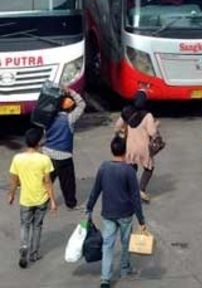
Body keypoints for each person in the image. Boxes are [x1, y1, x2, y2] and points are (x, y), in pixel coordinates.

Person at [86, 135, 146, 288]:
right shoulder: (129, 170)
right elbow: (135, 197)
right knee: (126, 243)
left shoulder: (104, 167)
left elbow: (96, 190)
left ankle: (105, 278)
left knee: (107, 245)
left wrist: (89, 208)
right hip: (125, 214)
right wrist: (141, 220)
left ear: (111, 150)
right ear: (125, 151)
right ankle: (125, 268)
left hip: (108, 213)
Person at [7, 128, 57, 269]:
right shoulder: (44, 159)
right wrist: (52, 200)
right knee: (37, 226)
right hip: (41, 198)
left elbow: (14, 181)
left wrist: (11, 194)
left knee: (25, 224)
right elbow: (48, 182)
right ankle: (33, 254)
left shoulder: (17, 159)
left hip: (26, 199)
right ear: (38, 143)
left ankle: (24, 246)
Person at [43, 87, 86, 210]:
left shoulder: (48, 118)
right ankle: (71, 203)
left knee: (47, 179)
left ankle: (42, 201)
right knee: (68, 182)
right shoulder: (69, 119)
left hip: (47, 153)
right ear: (69, 107)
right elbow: (82, 104)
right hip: (64, 156)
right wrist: (71, 91)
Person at [115, 91, 159, 203]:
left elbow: (117, 126)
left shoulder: (126, 111)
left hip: (130, 146)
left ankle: (129, 189)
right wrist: (156, 125)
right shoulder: (148, 115)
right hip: (143, 147)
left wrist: (123, 131)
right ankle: (141, 189)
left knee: (131, 168)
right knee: (149, 168)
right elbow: (152, 132)